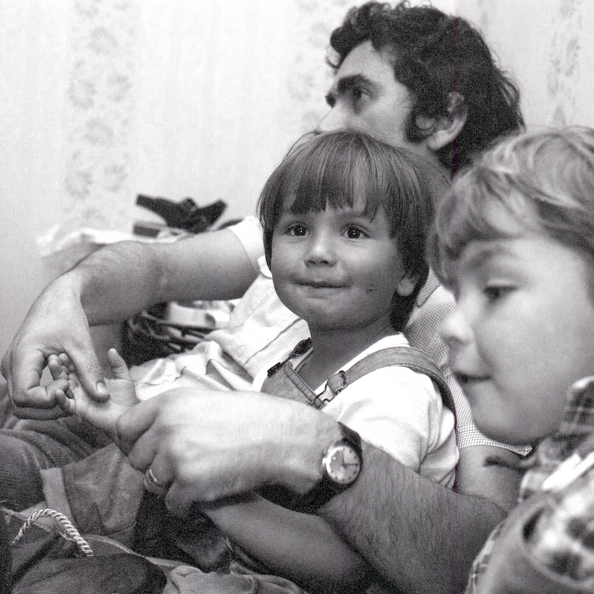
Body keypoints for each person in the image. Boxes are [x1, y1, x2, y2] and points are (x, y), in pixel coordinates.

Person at [0, 2, 525, 592]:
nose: (328, 123)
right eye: (296, 230)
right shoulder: (309, 225)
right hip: (124, 446)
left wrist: (246, 468)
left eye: (358, 95)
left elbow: (482, 551)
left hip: (190, 509)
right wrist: (68, 295)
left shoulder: (468, 317)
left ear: (445, 117)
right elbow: (157, 269)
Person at [47, 129, 458, 592]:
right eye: (297, 229)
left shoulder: (394, 388)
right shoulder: (297, 360)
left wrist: (212, 492)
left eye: (354, 232)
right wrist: (128, 422)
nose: (318, 253)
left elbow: (344, 566)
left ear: (408, 272)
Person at [428, 126, 594, 594]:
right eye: (457, 294)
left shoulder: (580, 517)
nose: (450, 326)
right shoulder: (563, 469)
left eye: (496, 290)